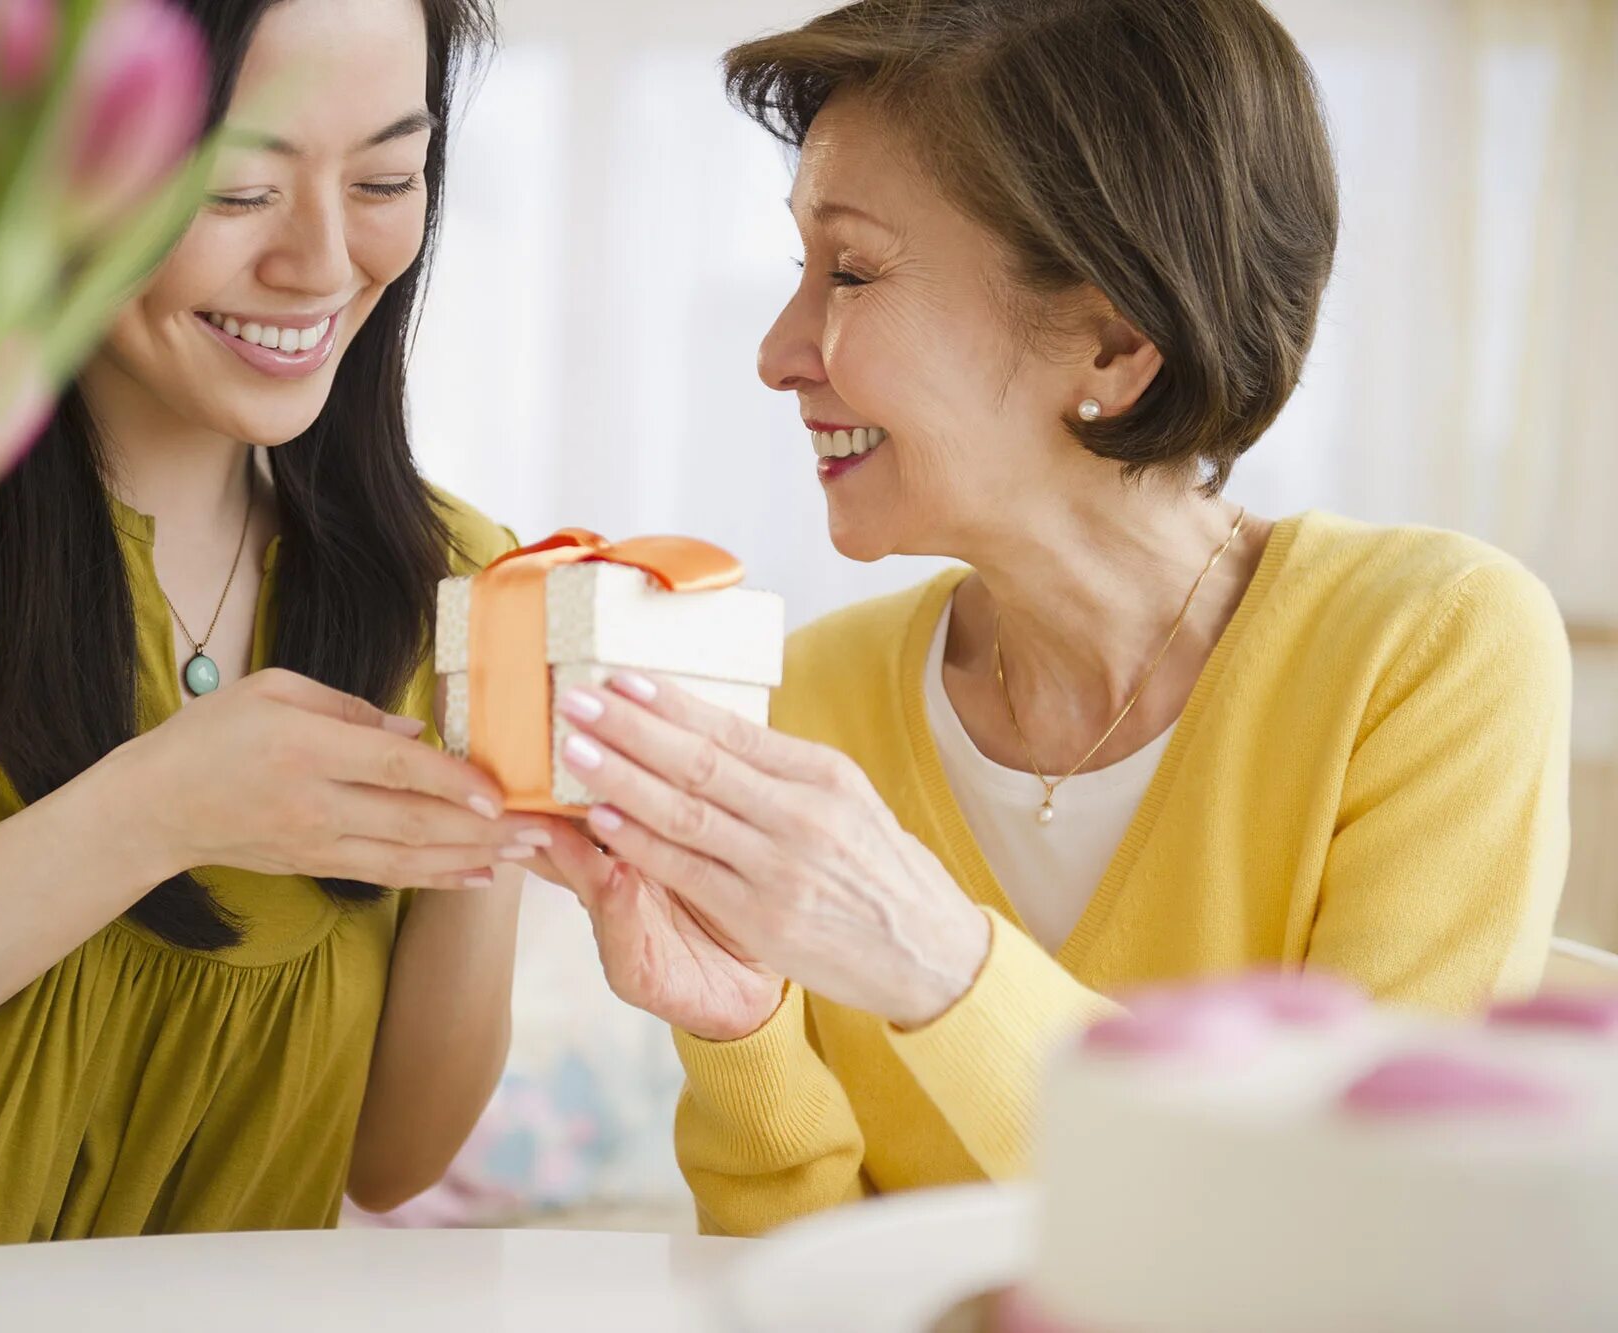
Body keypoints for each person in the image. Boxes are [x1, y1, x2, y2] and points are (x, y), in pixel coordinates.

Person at [533, 0, 1572, 1238]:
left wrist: (935, 963)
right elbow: (801, 1273)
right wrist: (739, 1028)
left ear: (1114, 343)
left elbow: (1348, 1239)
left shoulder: (1430, 648)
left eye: (851, 271)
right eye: (801, 271)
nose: (775, 351)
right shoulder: (818, 695)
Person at [0, 0, 543, 1259]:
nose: (321, 263)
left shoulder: (463, 584)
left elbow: (393, 1151)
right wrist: (152, 810)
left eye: (385, 176)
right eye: (233, 190)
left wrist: (506, 816)